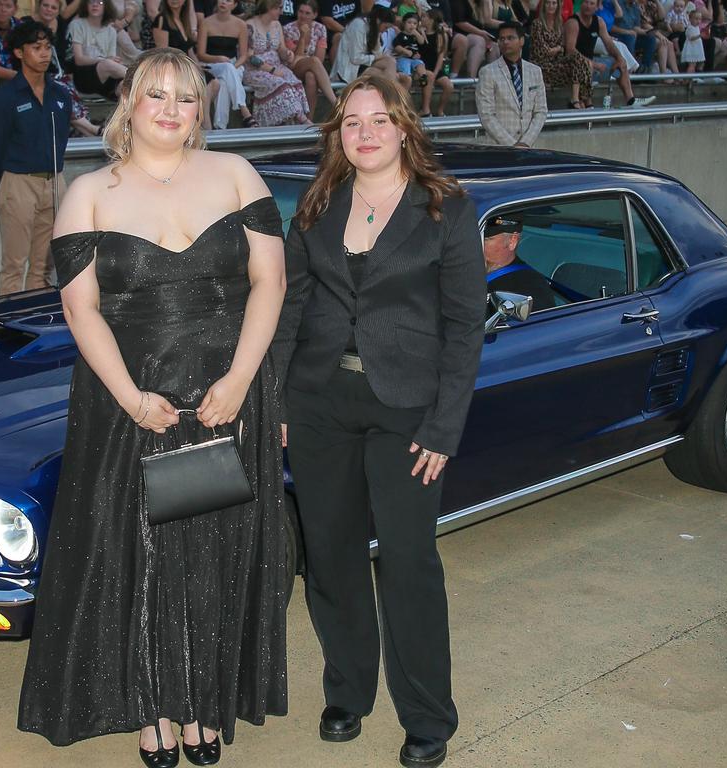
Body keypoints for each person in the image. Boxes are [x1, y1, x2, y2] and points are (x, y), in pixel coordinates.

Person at [17, 47, 288, 768]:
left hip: (230, 395)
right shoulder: (91, 192)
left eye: (186, 97)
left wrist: (239, 380)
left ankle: (204, 703)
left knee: (215, 549)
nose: (171, 109)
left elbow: (270, 284)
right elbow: (81, 310)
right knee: (141, 553)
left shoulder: (236, 175)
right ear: (129, 105)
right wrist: (133, 399)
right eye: (155, 95)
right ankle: (155, 707)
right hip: (129, 402)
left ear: (202, 109)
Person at [271, 73, 485, 768]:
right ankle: (348, 691)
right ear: (338, 133)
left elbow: (464, 326)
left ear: (403, 128)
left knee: (408, 562)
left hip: (409, 411)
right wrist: (276, 400)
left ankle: (427, 716)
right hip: (319, 403)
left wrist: (445, 427)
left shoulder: (445, 210)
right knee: (330, 557)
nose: (364, 133)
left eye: (378, 120)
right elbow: (290, 311)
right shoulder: (317, 204)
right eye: (351, 122)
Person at [0, 20, 70, 295]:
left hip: (54, 180)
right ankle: (8, 327)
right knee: (14, 265)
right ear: (19, 53)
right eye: (36, 47)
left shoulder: (60, 94)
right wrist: (7, 186)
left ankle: (38, 322)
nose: (44, 53)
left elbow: (62, 138)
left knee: (43, 268)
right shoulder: (5, 97)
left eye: (47, 47)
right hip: (18, 181)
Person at [25, 0, 103, 136]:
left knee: (66, 91)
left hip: (59, 76)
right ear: (39, 6)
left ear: (58, 11)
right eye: (45, 5)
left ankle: (91, 133)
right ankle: (94, 130)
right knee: (61, 92)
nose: (49, 9)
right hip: (36, 76)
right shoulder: (26, 23)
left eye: (53, 7)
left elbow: (67, 57)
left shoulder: (61, 25)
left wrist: (69, 77)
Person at [564, 0, 655, 107]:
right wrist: (594, 64)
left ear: (597, 6)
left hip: (591, 60)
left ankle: (631, 100)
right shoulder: (573, 22)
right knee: (587, 65)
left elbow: (609, 44)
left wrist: (619, 58)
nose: (588, 6)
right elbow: (570, 50)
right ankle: (587, 104)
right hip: (573, 62)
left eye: (592, 3)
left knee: (621, 63)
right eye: (586, 2)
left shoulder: (599, 22)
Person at [476, 20, 545, 146]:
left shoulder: (535, 71)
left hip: (529, 148)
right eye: (501, 39)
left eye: (510, 38)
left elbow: (540, 111)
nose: (505, 42)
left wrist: (525, 143)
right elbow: (486, 115)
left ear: (522, 41)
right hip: (499, 148)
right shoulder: (487, 72)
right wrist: (513, 145)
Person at [153, 0, 220, 130]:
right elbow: (162, 52)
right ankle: (205, 124)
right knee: (204, 83)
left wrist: (197, 67)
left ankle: (199, 122)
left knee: (214, 82)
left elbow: (189, 50)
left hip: (186, 66)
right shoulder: (161, 19)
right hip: (171, 68)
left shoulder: (184, 21)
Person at [243, 0, 311, 125]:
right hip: (256, 70)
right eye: (279, 8)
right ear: (270, 7)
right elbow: (249, 57)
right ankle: (302, 120)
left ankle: (293, 122)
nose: (281, 11)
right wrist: (271, 70)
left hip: (277, 66)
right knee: (280, 83)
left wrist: (287, 54)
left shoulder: (277, 25)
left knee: (294, 82)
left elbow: (281, 48)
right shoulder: (250, 26)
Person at [196, 0, 256, 127]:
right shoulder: (206, 23)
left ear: (234, 5)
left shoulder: (240, 24)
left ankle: (220, 126)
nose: (223, 2)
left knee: (224, 82)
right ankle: (244, 110)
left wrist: (232, 68)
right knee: (227, 71)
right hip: (211, 64)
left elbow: (243, 55)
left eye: (228, 0)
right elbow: (200, 54)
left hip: (234, 65)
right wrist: (218, 58)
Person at [482, 213, 557, 311]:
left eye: (485, 239)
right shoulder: (464, 271)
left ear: (512, 241)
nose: (475, 244)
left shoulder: (530, 290)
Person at [530, 0, 592, 107]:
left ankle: (576, 99)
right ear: (543, 5)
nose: (551, 6)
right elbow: (542, 51)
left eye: (554, 3)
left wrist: (556, 49)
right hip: (541, 66)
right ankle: (582, 100)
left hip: (556, 63)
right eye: (548, 3)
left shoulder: (559, 24)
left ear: (558, 6)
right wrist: (557, 49)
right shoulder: (537, 24)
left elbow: (562, 49)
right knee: (578, 68)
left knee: (578, 59)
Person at [331, 5, 411, 86]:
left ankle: (392, 95)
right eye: (386, 27)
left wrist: (378, 36)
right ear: (378, 20)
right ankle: (392, 95)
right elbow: (355, 58)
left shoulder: (374, 28)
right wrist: (375, 57)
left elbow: (378, 53)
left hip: (364, 65)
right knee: (389, 78)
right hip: (350, 69)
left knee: (391, 61)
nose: (385, 30)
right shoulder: (358, 26)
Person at [282, 0, 337, 115]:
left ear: (315, 15)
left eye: (307, 13)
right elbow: (295, 58)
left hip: (312, 68)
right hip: (292, 67)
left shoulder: (320, 28)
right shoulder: (288, 29)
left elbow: (320, 58)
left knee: (311, 76)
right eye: (301, 12)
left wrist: (311, 62)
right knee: (313, 61)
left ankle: (309, 120)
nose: (303, 16)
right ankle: (336, 103)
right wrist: (302, 36)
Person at [68, 0, 126, 97]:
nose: (95, 5)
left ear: (106, 7)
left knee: (125, 85)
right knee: (106, 63)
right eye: (91, 2)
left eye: (100, 2)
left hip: (105, 77)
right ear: (86, 5)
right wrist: (102, 60)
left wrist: (113, 62)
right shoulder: (76, 25)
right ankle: (142, 77)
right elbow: (79, 60)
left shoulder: (111, 31)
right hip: (83, 75)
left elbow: (111, 58)